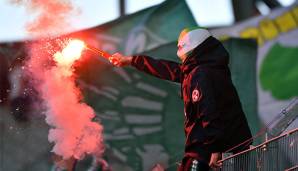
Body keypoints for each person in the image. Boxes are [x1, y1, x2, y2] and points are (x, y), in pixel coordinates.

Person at [108, 27, 252, 171]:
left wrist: (215, 149)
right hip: (226, 146)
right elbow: (166, 69)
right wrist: (131, 60)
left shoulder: (200, 73)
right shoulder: (204, 69)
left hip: (207, 151)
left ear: (189, 45)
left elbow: (209, 111)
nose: (180, 56)